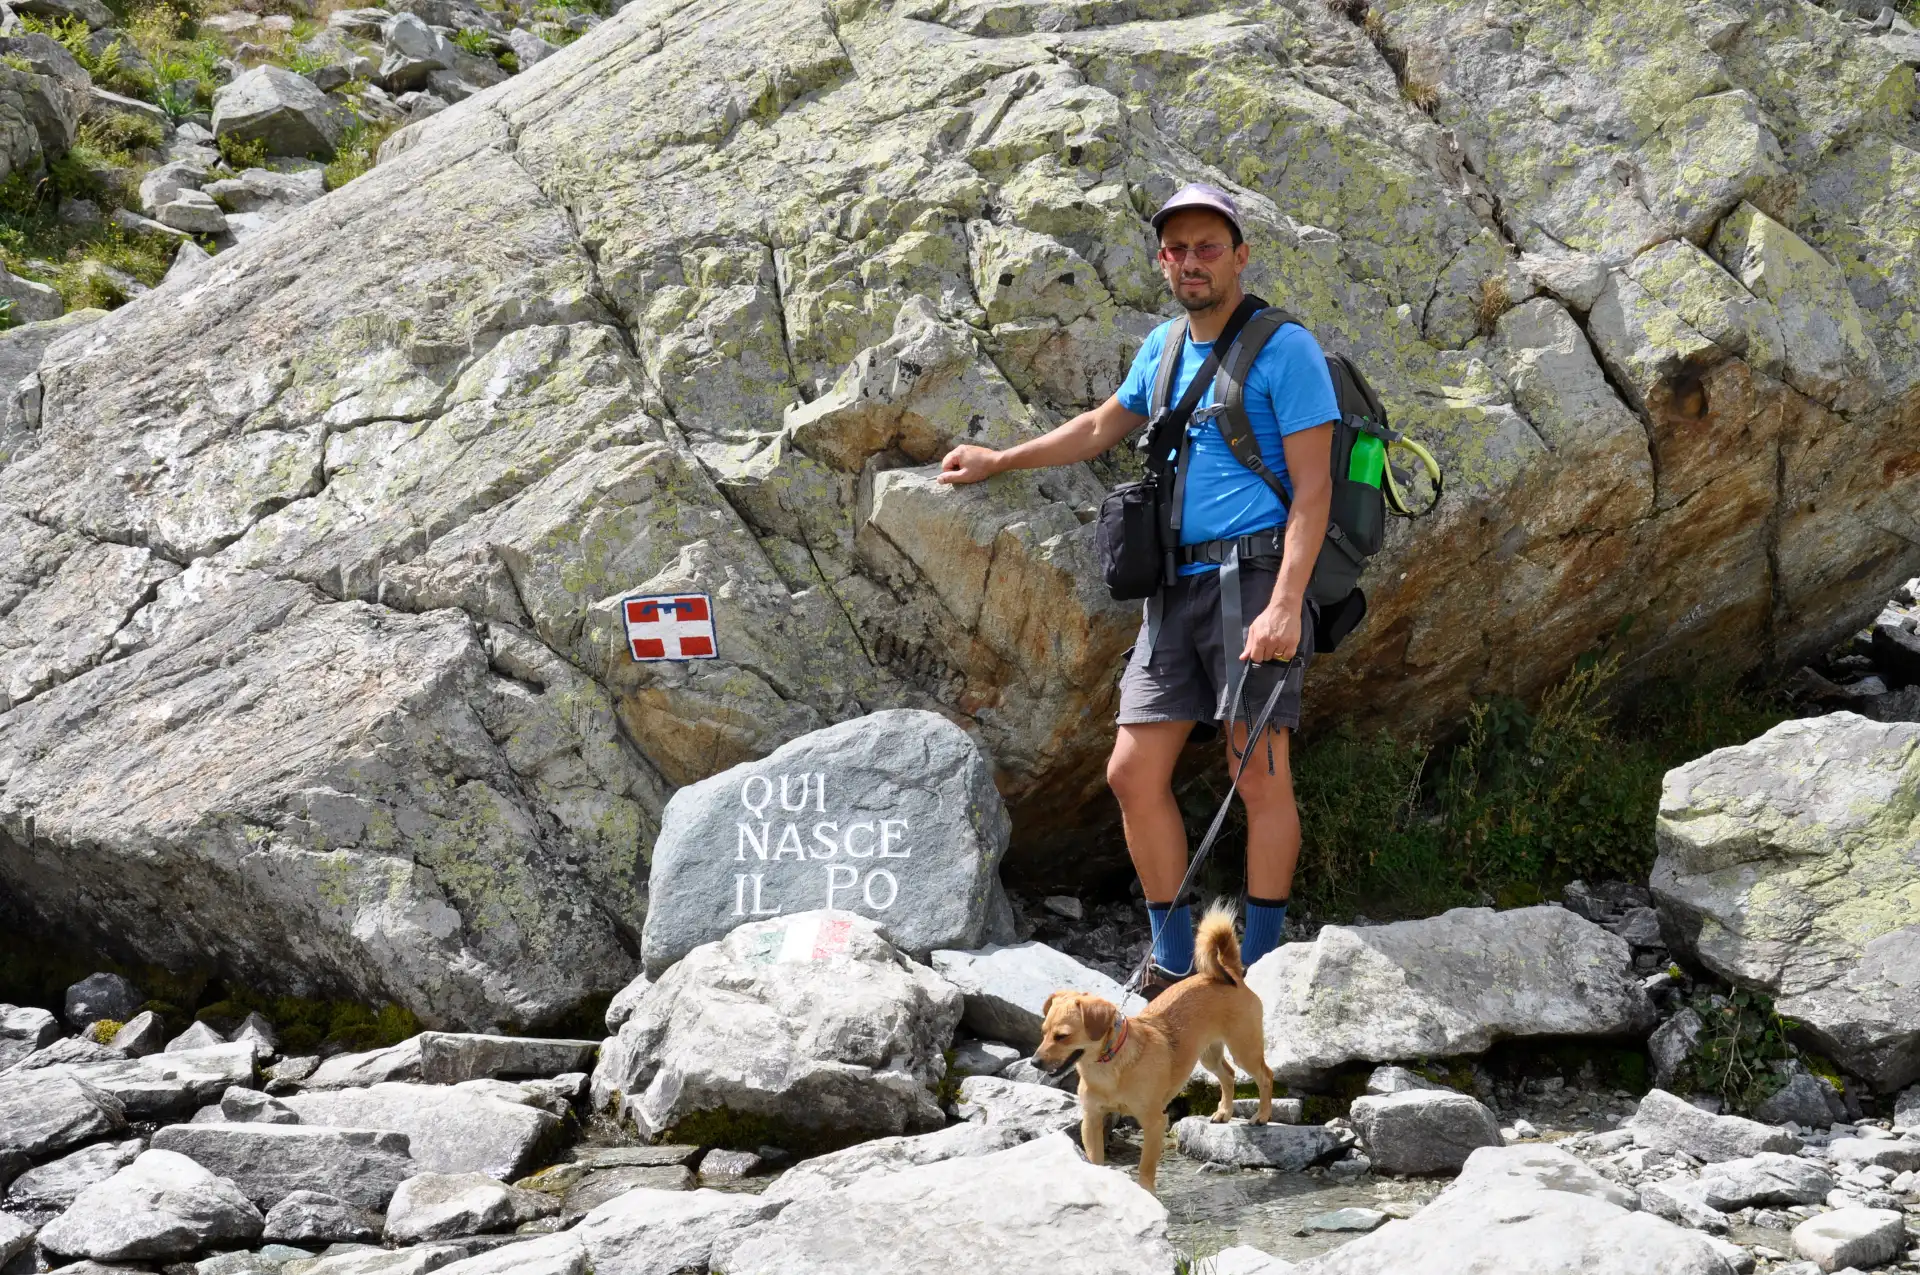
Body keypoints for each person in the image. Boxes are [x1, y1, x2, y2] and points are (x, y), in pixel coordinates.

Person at [938, 183, 1337, 993]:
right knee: (1130, 770)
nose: (1191, 263)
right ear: (1163, 260)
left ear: (1239, 256)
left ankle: (1254, 968)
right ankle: (1170, 956)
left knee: (1256, 770)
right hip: (1173, 591)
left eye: (1207, 248)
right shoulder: (1161, 347)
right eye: (1177, 250)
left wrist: (1287, 601)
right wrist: (999, 459)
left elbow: (1316, 488)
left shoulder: (1285, 349)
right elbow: (1096, 428)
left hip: (1253, 576)